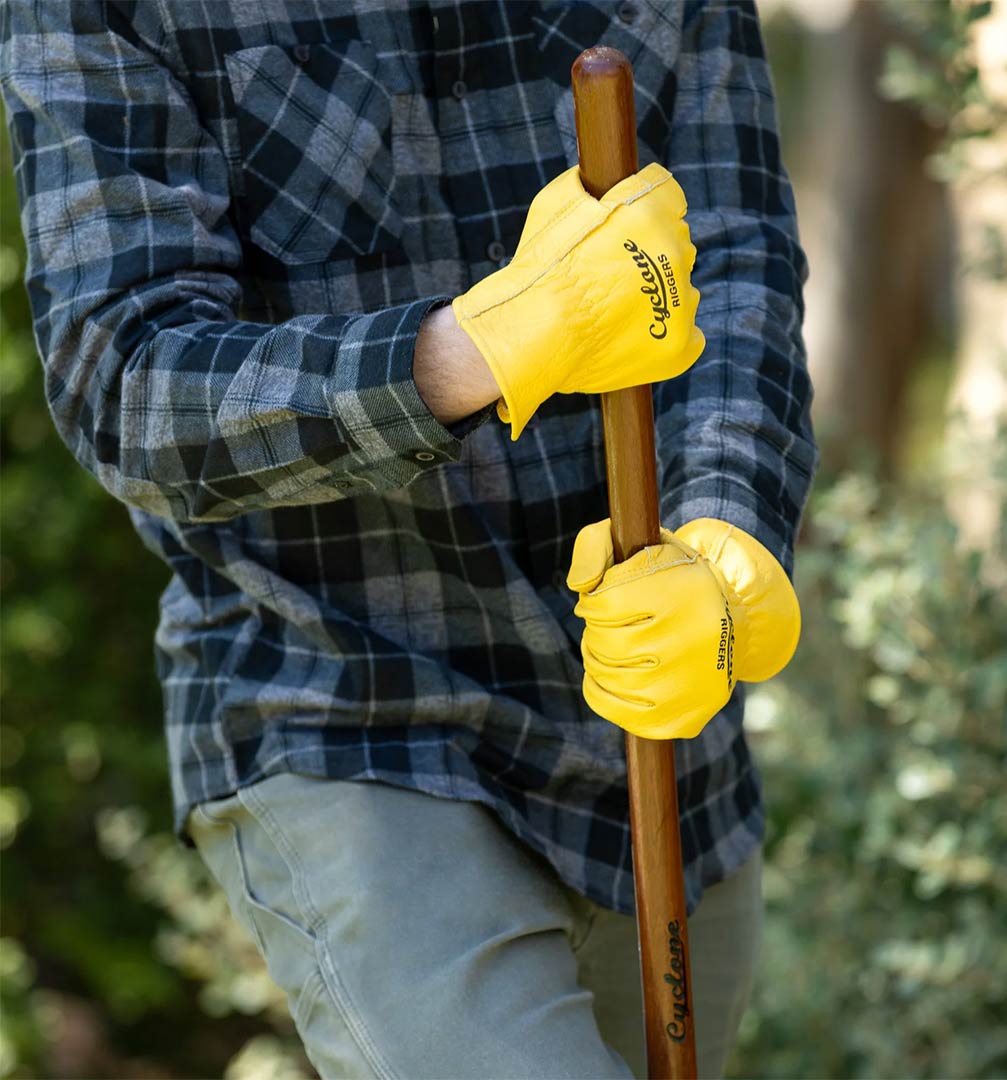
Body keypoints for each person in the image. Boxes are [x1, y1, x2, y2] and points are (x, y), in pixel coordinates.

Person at [2, 1, 816, 1076]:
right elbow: (125, 382)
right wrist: (473, 352)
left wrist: (725, 540)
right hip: (348, 705)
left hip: (658, 741)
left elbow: (738, 252)